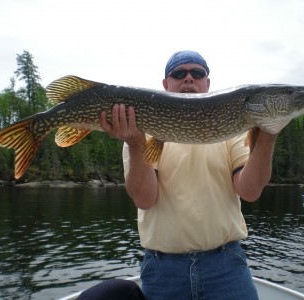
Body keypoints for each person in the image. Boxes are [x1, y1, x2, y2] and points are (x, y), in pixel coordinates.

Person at [99, 50, 277, 299]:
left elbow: (250, 191)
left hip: (226, 266)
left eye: (197, 73)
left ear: (208, 83)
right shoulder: (140, 130)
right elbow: (144, 199)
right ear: (165, 84)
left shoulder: (233, 129)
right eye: (179, 73)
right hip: (164, 270)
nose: (189, 78)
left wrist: (269, 133)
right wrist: (136, 144)